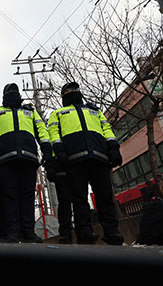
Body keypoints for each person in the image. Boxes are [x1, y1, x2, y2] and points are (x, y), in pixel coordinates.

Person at [47, 82, 124, 245]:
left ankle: (112, 232)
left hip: (99, 157)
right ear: (63, 96)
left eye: (75, 90)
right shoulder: (58, 114)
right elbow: (54, 133)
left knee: (105, 197)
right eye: (69, 90)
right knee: (79, 199)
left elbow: (107, 130)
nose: (73, 92)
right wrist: (59, 150)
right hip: (74, 160)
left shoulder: (95, 110)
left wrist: (114, 148)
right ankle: (84, 233)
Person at [0, 83, 52, 243]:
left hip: (28, 158)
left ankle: (28, 231)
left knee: (26, 195)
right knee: (11, 196)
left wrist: (46, 147)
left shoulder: (30, 111)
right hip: (6, 160)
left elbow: (41, 130)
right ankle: (13, 231)